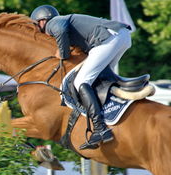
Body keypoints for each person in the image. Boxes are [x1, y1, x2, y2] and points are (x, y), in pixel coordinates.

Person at [30, 5, 132, 150]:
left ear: (42, 21)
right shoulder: (67, 23)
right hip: (121, 35)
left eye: (37, 26)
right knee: (99, 78)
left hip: (109, 37)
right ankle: (111, 115)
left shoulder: (53, 23)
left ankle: (100, 128)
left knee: (81, 81)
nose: (42, 31)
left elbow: (60, 29)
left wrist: (62, 53)